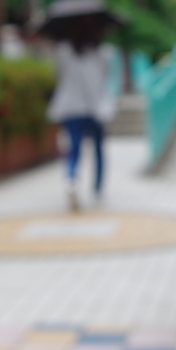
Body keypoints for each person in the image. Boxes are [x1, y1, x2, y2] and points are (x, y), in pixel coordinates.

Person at [46, 14, 116, 210]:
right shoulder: (102, 52)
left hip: (71, 108)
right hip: (96, 108)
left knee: (74, 148)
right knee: (99, 149)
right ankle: (98, 188)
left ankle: (71, 179)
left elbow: (59, 76)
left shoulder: (63, 51)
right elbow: (104, 79)